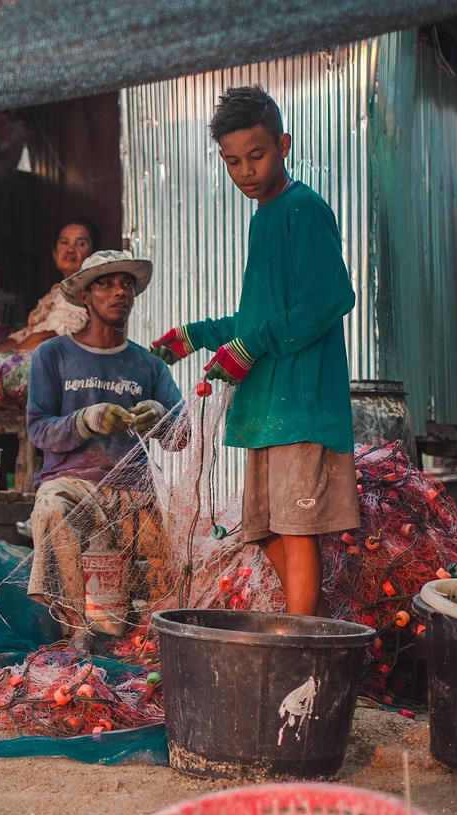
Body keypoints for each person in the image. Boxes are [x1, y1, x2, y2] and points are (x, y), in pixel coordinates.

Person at [149, 85, 359, 618]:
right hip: (268, 409)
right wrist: (196, 334)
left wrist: (252, 344)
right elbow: (258, 320)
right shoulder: (264, 216)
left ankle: (301, 642)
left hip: (301, 405)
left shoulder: (301, 209)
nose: (244, 170)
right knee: (264, 529)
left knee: (296, 531)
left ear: (284, 145)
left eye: (256, 155)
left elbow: (331, 298)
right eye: (231, 161)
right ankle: (308, 626)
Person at [25, 249, 185, 653]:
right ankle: (78, 629)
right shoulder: (53, 355)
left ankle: (152, 633)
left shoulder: (149, 366)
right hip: (73, 484)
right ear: (85, 297)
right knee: (51, 508)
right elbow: (38, 430)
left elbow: (181, 437)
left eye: (126, 284)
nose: (120, 292)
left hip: (134, 489)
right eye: (106, 284)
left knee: (173, 522)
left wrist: (161, 416)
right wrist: (87, 420)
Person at [0, 218, 99, 403]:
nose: (71, 249)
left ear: (92, 255)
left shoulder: (83, 292)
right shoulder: (56, 292)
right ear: (55, 253)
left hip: (65, 373)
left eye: (81, 243)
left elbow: (50, 336)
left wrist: (3, 360)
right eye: (64, 242)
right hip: (37, 359)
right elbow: (24, 336)